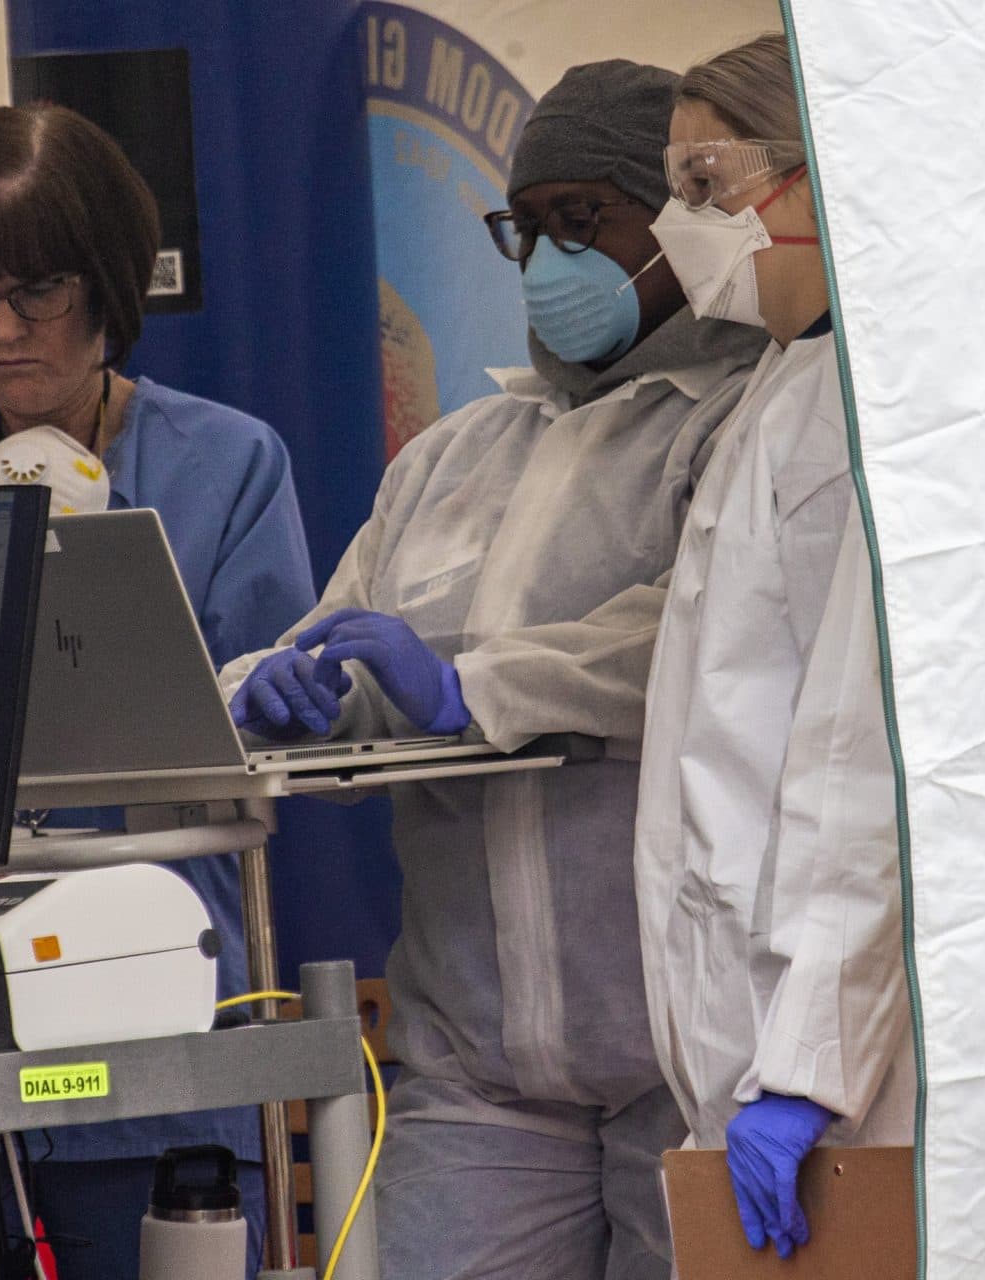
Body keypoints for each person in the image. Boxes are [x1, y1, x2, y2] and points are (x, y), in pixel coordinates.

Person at [219, 60, 759, 1280]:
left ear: (673, 219)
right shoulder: (457, 455)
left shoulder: (740, 424)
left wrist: (482, 687)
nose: (550, 260)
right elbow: (348, 630)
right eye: (531, 227)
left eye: (586, 222)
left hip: (687, 1051)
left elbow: (706, 637)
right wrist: (272, 687)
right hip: (476, 1065)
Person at [0, 103, 314, 1280]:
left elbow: (258, 746)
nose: (1, 334)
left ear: (107, 286)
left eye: (37, 294)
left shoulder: (228, 465)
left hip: (150, 1057)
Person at [633, 35, 918, 1262]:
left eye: (710, 183)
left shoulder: (876, 408)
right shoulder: (778, 386)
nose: (677, 222)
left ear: (820, 173)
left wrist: (809, 1060)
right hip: (745, 1039)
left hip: (831, 1067)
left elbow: (865, 761)